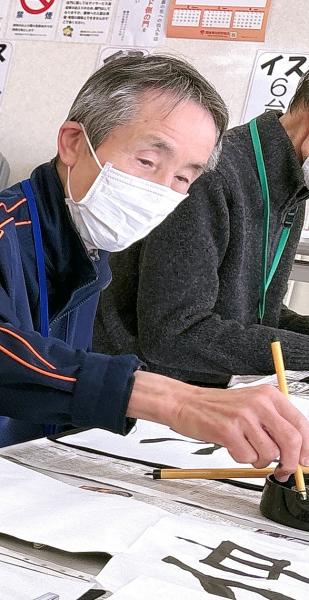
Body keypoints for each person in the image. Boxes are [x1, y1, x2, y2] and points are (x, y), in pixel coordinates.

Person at [0, 53, 309, 470]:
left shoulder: (85, 250)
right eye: (147, 161)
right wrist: (173, 400)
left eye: (183, 177)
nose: (161, 191)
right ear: (73, 143)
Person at [94, 73, 309, 381]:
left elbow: (258, 313)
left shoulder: (289, 188)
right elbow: (175, 332)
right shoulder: (213, 175)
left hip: (197, 383)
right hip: (136, 384)